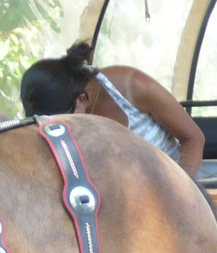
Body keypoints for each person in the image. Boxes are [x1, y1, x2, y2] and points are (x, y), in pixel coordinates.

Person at [19, 42, 205, 180]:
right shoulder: (60, 113)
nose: (63, 129)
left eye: (64, 122)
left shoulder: (132, 86)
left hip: (168, 188)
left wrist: (183, 195)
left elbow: (193, 139)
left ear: (81, 99)